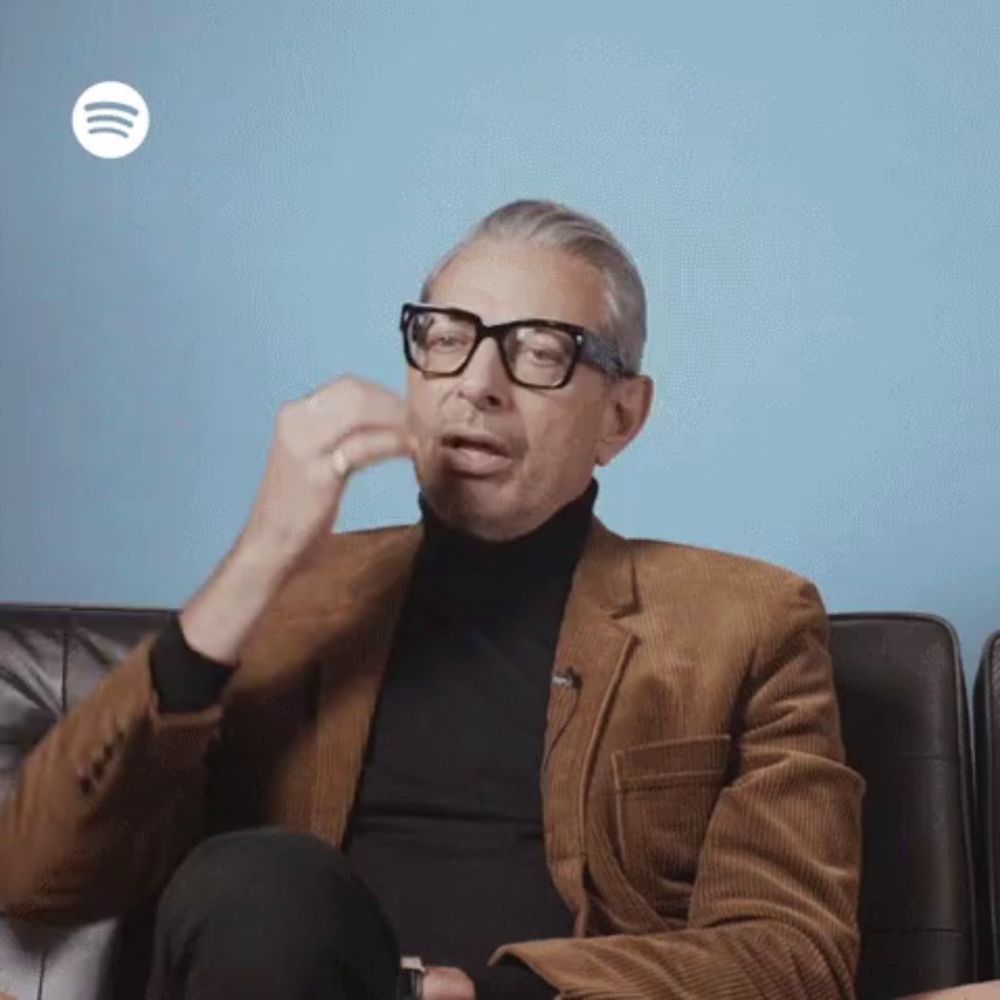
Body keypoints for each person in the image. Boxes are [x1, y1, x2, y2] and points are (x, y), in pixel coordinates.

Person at [0, 199, 864, 999]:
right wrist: (257, 561)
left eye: (538, 351)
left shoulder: (745, 622)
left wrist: (486, 995)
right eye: (446, 336)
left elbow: (792, 954)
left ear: (621, 418)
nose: (476, 382)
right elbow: (40, 875)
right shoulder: (288, 602)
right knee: (258, 881)